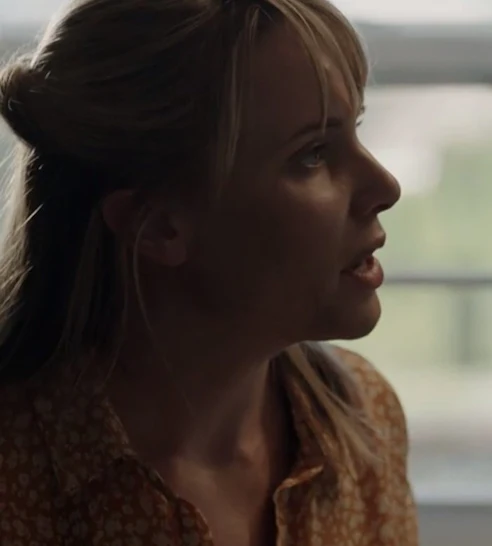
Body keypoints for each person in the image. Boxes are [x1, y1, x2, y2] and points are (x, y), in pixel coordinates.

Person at [0, 0, 417, 544]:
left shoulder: (364, 419)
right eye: (313, 153)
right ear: (158, 226)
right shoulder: (16, 477)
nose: (386, 187)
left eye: (355, 129)